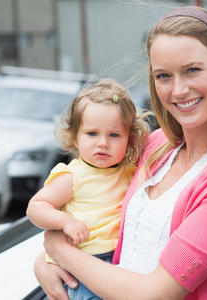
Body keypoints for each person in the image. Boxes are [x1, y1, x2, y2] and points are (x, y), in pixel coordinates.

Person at [34, 6, 207, 300]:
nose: (178, 90)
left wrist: (59, 250)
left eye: (192, 70)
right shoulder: (155, 146)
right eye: (164, 76)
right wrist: (45, 263)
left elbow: (153, 294)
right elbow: (95, 208)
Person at [27, 79, 149, 299]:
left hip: (120, 262)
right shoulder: (72, 176)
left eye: (114, 135)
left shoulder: (131, 170)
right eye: (92, 134)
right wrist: (66, 222)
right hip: (82, 264)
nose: (102, 143)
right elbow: (36, 207)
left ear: (129, 139)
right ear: (75, 136)